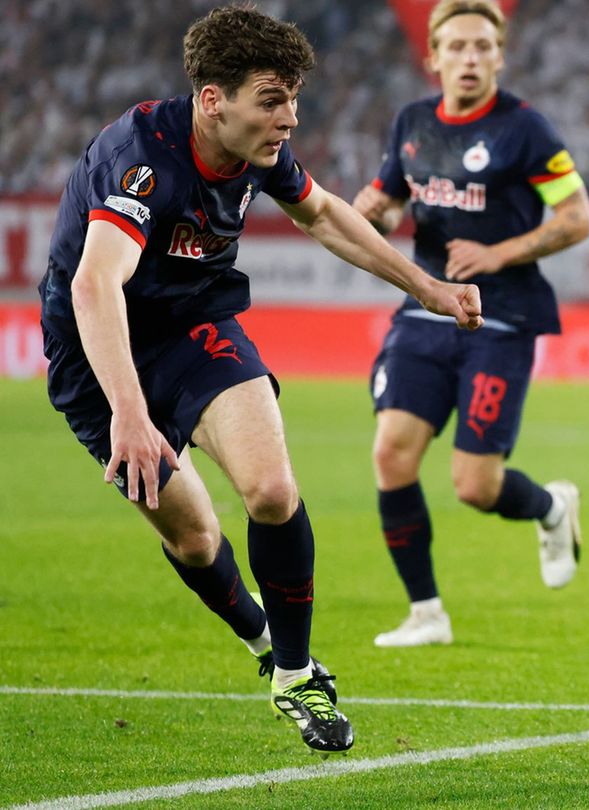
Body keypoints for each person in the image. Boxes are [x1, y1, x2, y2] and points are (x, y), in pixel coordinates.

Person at [37, 5, 482, 753]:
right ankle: (261, 641)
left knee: (272, 491)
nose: (291, 118)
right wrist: (130, 413)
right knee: (195, 534)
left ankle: (297, 673)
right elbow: (93, 287)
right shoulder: (143, 158)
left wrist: (425, 285)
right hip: (98, 353)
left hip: (194, 329)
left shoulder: (258, 151)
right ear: (214, 100)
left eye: (295, 99)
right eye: (273, 100)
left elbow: (325, 216)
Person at [351, 0, 589, 648]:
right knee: (392, 452)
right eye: (456, 47)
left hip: (504, 320)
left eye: (482, 47)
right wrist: (367, 214)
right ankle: (426, 611)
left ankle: (550, 507)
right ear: (432, 58)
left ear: (500, 56)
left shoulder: (525, 129)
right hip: (426, 311)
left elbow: (577, 218)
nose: (469, 58)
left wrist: (498, 254)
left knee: (473, 486)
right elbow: (382, 202)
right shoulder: (411, 124)